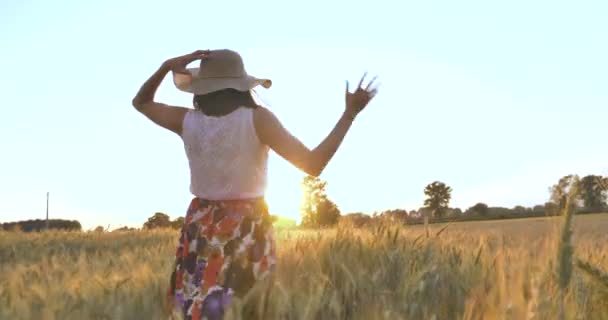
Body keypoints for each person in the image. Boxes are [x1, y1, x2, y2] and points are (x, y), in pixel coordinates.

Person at [132, 49, 378, 319]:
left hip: (199, 229)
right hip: (247, 228)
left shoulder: (186, 120)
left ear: (201, 88)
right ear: (241, 86)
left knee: (197, 308)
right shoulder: (257, 118)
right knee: (250, 308)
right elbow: (313, 164)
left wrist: (165, 67)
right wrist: (349, 115)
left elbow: (141, 102)